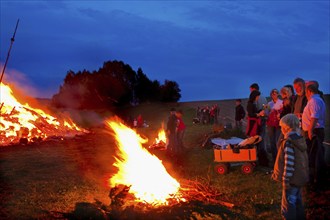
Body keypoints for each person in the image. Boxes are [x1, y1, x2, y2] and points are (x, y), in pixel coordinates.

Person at [272, 113, 309, 220]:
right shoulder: (299, 140)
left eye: (281, 128)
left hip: (291, 180)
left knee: (288, 205)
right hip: (299, 178)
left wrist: (285, 181)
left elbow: (289, 163)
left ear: (286, 128)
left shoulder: (288, 142)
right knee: (298, 201)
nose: (281, 130)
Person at [301, 83, 326, 185]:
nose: (305, 94)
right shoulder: (315, 100)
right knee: (314, 154)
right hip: (314, 130)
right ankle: (315, 177)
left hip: (314, 131)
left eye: (306, 92)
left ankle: (314, 179)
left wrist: (310, 130)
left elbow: (315, 117)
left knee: (313, 155)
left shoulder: (314, 100)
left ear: (309, 91)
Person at [246, 90, 268, 166]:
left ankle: (259, 160)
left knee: (257, 141)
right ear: (255, 96)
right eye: (258, 96)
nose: (258, 98)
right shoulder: (250, 104)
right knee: (256, 140)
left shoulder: (253, 104)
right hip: (253, 125)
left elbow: (254, 112)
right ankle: (257, 160)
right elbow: (251, 114)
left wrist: (262, 110)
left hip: (255, 123)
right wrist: (258, 114)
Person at [266, 89, 283, 165]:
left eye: (275, 93)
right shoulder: (269, 103)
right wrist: (266, 111)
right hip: (270, 124)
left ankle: (280, 158)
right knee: (272, 141)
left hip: (278, 124)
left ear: (278, 94)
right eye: (272, 94)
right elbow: (266, 113)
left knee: (278, 140)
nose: (274, 95)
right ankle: (274, 159)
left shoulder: (281, 102)